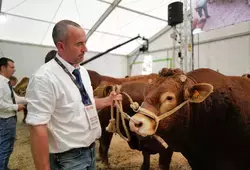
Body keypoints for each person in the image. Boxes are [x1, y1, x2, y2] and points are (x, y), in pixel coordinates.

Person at [25, 20, 122, 170]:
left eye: (85, 42)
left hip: (90, 150)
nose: (85, 49)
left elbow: (83, 103)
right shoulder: (44, 78)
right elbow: (37, 128)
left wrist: (107, 101)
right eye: (79, 44)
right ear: (61, 46)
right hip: (67, 158)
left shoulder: (81, 71)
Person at [0, 57, 26, 170]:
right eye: (12, 67)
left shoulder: (6, 83)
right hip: (5, 120)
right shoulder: (0, 83)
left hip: (9, 120)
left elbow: (15, 98)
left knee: (7, 147)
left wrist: (32, 99)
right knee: (5, 148)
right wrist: (16, 107)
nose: (14, 70)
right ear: (2, 67)